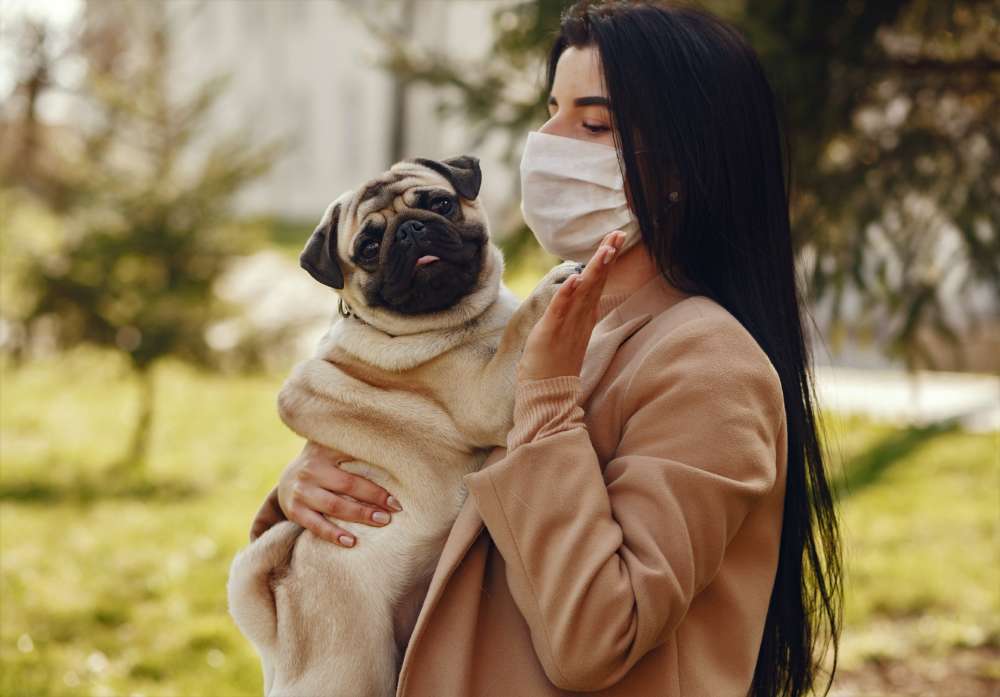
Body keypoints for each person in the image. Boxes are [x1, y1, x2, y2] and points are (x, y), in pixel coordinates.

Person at [249, 1, 843, 695]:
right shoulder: (564, 324)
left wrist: (549, 402)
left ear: (683, 167)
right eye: (550, 110)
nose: (548, 142)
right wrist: (309, 493)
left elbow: (595, 640)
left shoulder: (710, 365)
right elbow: (456, 520)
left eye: (593, 123)